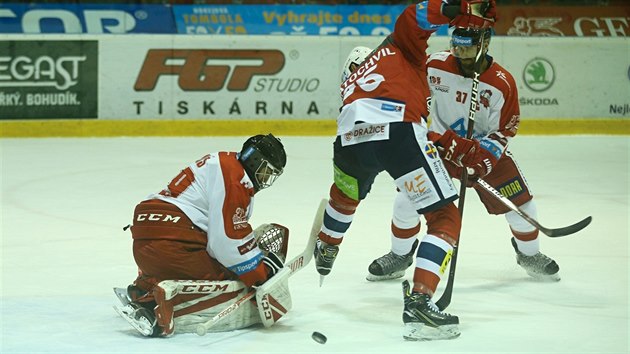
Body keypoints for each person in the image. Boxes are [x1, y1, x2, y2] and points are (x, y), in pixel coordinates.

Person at [313, 0, 496, 341]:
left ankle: (327, 245)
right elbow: (416, 15)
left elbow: (414, 126)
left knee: (345, 197)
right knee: (444, 217)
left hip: (348, 138)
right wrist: (458, 7)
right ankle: (420, 302)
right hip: (397, 132)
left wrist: (446, 143)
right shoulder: (399, 49)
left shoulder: (357, 80)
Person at [367, 28, 560, 284]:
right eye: (456, 46)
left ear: (486, 43)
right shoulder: (435, 65)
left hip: (480, 150)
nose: (460, 53)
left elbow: (503, 131)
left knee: (521, 204)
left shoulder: (502, 82)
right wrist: (430, 135)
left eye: (467, 47)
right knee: (407, 199)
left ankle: (529, 255)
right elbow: (411, 92)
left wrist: (483, 159)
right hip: (439, 149)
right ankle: (400, 255)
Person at [115, 134, 290, 337]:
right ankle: (154, 306)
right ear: (255, 160)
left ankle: (143, 286)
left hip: (146, 240)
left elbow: (219, 235)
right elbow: (226, 243)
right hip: (172, 245)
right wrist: (260, 275)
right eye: (266, 171)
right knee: (229, 279)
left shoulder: (223, 162)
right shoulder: (236, 179)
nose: (266, 179)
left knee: (216, 263)